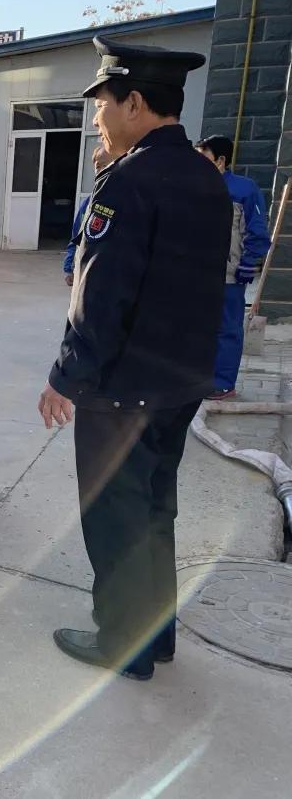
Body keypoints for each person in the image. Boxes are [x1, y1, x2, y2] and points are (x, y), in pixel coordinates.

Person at [36, 36, 231, 680]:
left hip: (123, 388)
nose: (97, 118)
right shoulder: (207, 175)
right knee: (154, 508)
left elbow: (101, 298)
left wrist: (65, 378)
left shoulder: (128, 183)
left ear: (136, 102)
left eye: (103, 105)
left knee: (116, 515)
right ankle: (156, 635)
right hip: (180, 382)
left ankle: (124, 642)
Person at [195, 134, 272, 400]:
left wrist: (248, 263)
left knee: (226, 329)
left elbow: (258, 232)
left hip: (228, 274)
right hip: (196, 273)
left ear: (220, 160)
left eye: (202, 157)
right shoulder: (195, 188)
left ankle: (223, 383)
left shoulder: (244, 189)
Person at [63, 146, 118, 286]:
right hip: (83, 275)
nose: (101, 170)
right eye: (98, 166)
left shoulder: (125, 203)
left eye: (106, 165)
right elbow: (76, 237)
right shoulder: (88, 204)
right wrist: (69, 268)